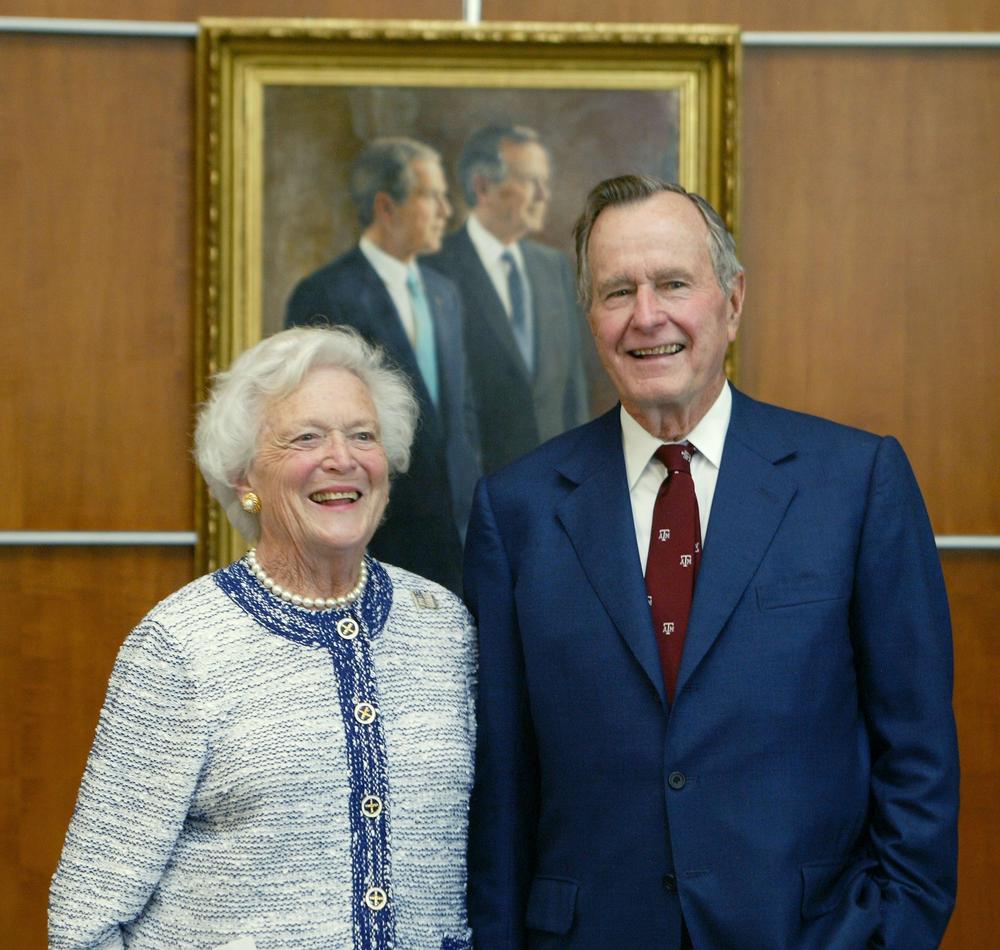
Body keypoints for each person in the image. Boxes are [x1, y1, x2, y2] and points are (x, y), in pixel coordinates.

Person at [464, 175, 958, 948]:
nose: (646, 316)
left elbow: (918, 751)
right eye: (617, 291)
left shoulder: (856, 483)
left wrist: (890, 933)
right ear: (590, 317)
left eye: (673, 283)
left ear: (732, 300)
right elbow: (502, 785)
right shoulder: (516, 510)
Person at [50, 327, 476, 949]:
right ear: (244, 476)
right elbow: (85, 921)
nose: (342, 458)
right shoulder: (179, 646)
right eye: (306, 437)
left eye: (363, 435)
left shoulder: (444, 626)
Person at [286, 137, 478, 594]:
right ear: (386, 207)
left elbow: (462, 415)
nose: (446, 211)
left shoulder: (444, 293)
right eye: (431, 196)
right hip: (378, 537)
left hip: (458, 540)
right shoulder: (326, 293)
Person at [426, 125, 589, 474]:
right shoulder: (435, 271)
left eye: (545, 182)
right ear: (483, 186)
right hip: (477, 489)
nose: (543, 195)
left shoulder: (553, 268)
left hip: (557, 484)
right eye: (531, 181)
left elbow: (572, 392)